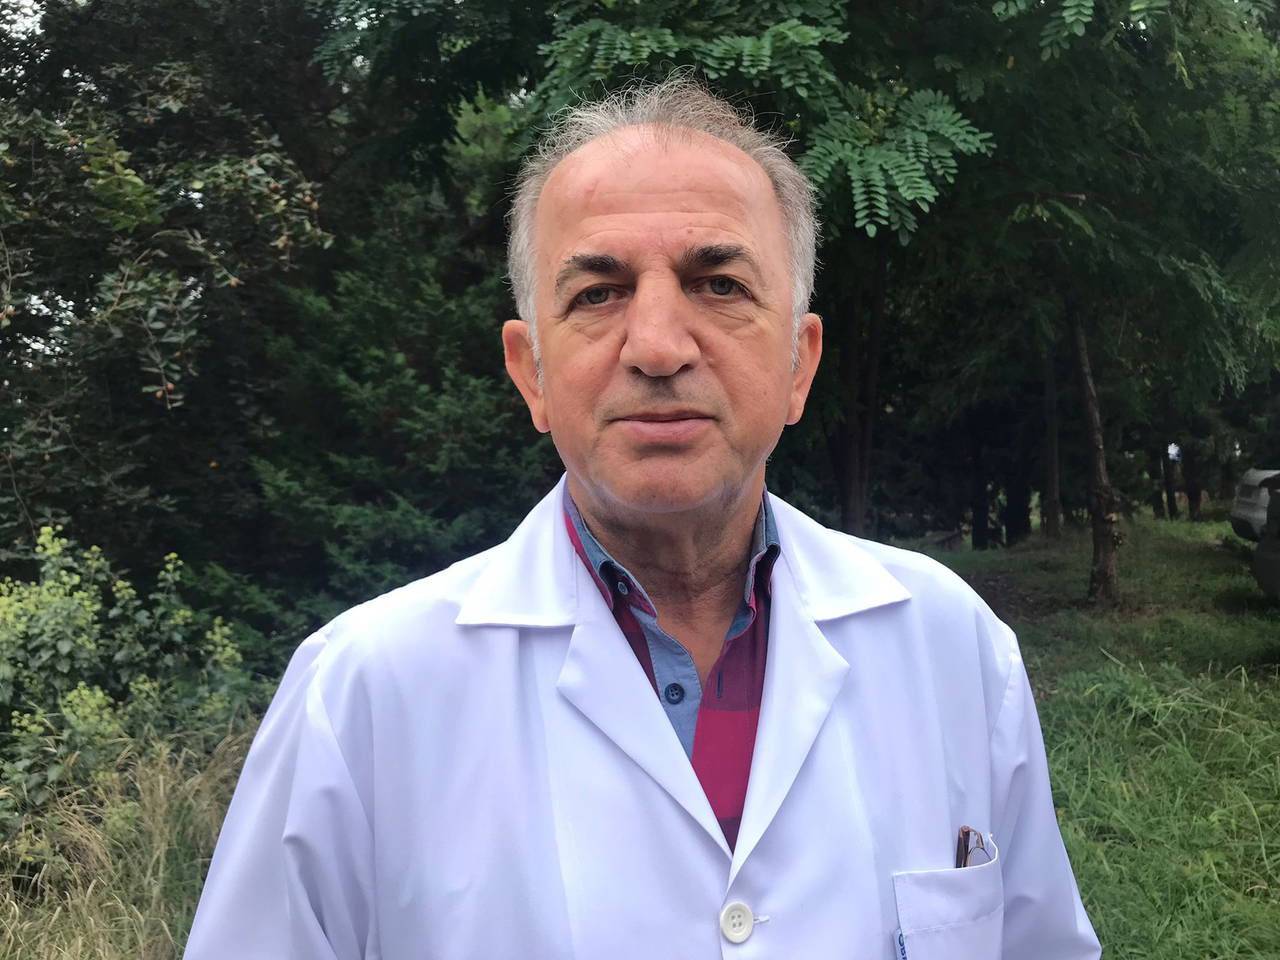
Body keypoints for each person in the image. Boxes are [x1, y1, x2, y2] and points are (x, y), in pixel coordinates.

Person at [184, 77, 1101, 960]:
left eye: (719, 284)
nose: (658, 347)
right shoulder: (362, 692)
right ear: (531, 373)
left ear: (800, 363)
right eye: (598, 293)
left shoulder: (951, 644)